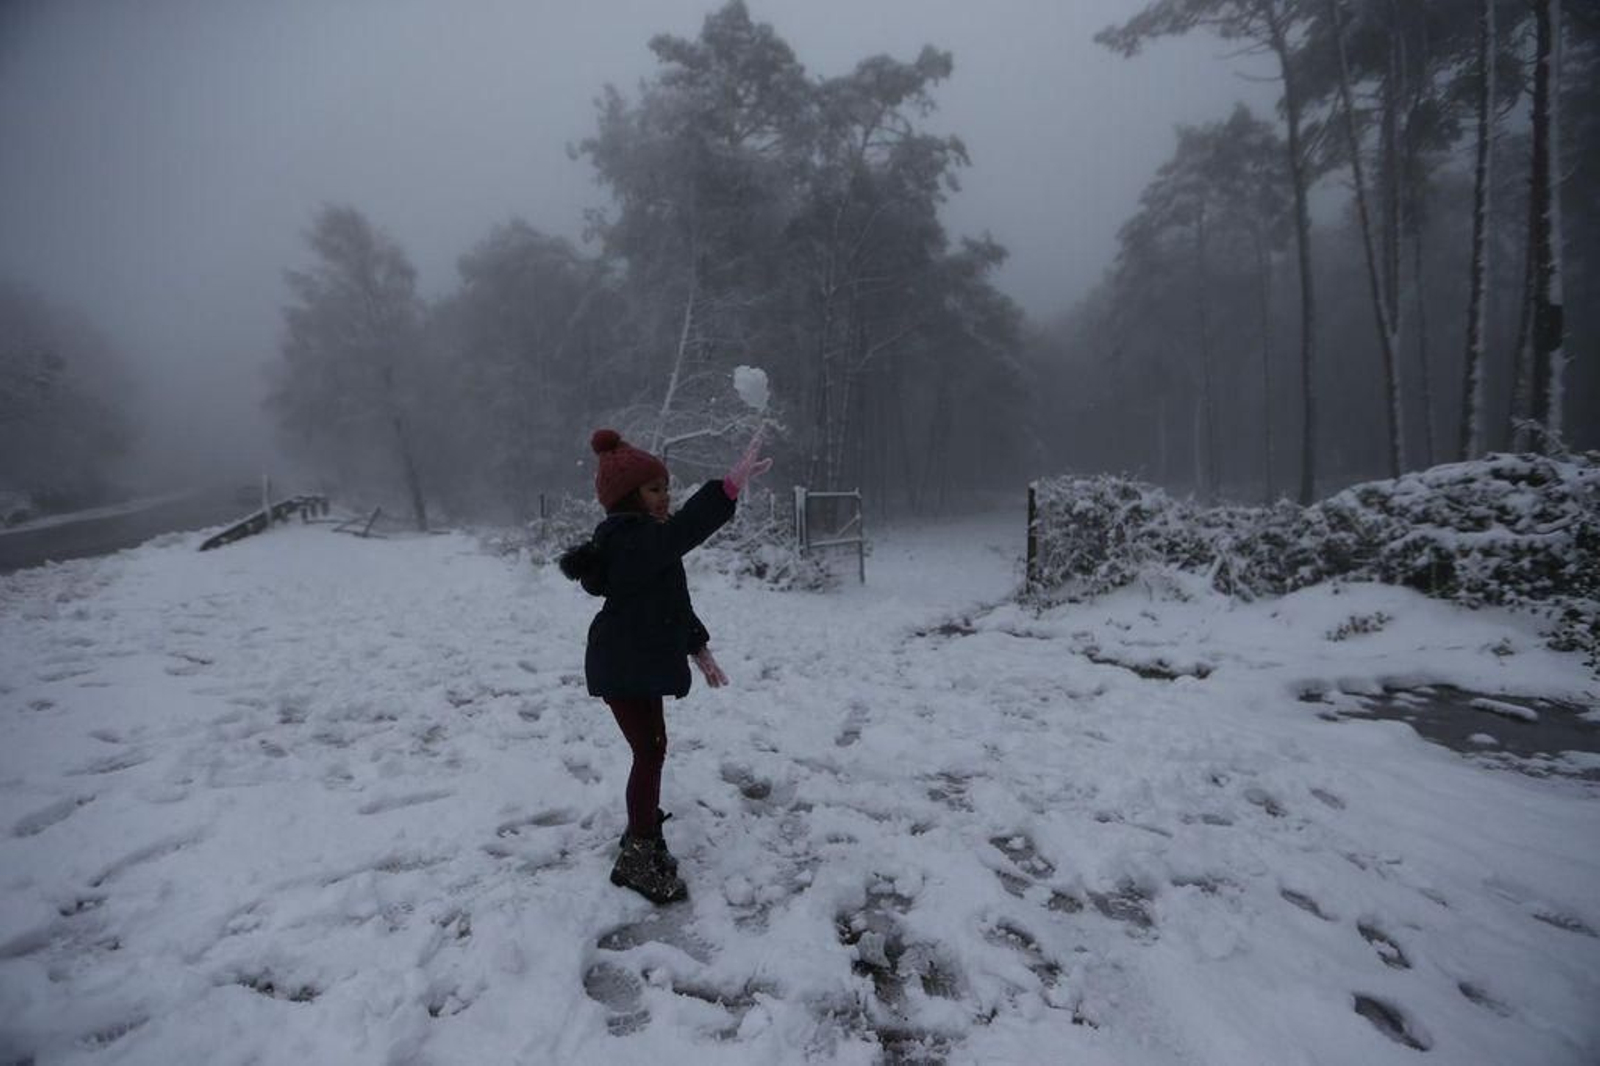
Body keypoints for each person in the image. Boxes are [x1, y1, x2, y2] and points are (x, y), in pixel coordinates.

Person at [558, 427, 771, 904]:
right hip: (622, 664)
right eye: (655, 489)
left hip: (636, 661)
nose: (664, 497)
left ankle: (644, 834)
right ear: (628, 497)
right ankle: (637, 854)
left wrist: (700, 649)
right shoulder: (630, 541)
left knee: (653, 749)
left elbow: (670, 602)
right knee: (650, 751)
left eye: (666, 488)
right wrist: (727, 489)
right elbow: (683, 532)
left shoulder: (646, 543)